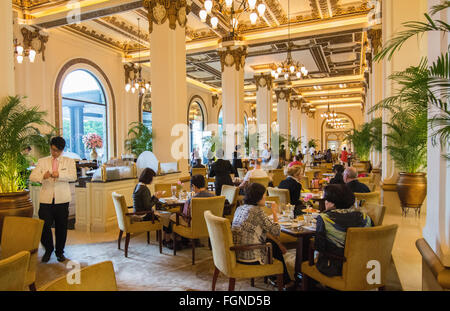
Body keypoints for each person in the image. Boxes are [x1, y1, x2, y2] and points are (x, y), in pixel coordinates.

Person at [231, 183, 293, 287]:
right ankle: (285, 281)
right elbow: (276, 231)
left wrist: (278, 243)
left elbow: (260, 231)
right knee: (273, 245)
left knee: (273, 243)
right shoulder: (257, 212)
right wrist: (274, 212)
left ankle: (277, 278)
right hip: (251, 256)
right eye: (264, 194)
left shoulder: (240, 208)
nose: (265, 197)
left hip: (237, 253)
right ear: (258, 197)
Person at [29, 137, 77, 263]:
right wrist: (42, 176)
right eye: (53, 150)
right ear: (50, 147)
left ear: (62, 150)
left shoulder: (69, 161)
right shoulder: (42, 161)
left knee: (61, 227)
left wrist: (59, 175)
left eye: (57, 151)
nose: (54, 153)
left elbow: (73, 176)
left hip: (62, 200)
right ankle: (48, 249)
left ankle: (60, 252)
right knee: (44, 226)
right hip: (46, 200)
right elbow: (32, 177)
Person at [314, 184, 373, 277]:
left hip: (336, 267)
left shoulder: (324, 218)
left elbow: (319, 246)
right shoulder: (365, 217)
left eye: (326, 200)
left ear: (332, 203)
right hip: (365, 265)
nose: (325, 202)